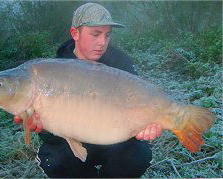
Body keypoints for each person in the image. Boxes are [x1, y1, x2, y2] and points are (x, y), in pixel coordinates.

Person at [14, 2, 163, 178]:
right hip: (72, 144)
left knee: (138, 154)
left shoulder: (121, 64)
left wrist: (146, 127)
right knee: (54, 159)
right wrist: (44, 129)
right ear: (75, 33)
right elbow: (53, 136)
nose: (102, 42)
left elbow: (140, 108)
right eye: (95, 34)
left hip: (113, 140)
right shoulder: (54, 71)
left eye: (107, 35)